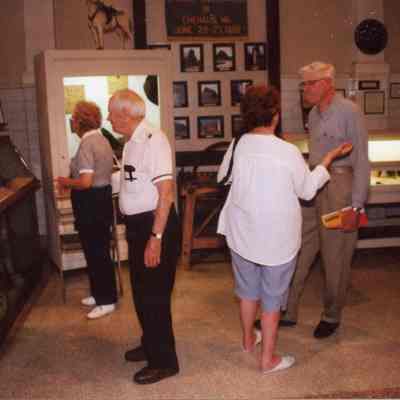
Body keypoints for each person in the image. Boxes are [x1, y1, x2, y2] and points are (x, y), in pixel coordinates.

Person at [217, 84, 352, 373]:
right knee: (272, 298)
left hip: (241, 232)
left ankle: (247, 340)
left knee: (247, 291)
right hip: (277, 238)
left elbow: (223, 178)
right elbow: (307, 190)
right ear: (275, 115)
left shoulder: (238, 144)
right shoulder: (288, 152)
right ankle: (268, 360)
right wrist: (326, 161)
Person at [258, 62, 370, 339]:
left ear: (327, 84)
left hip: (339, 186)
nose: (305, 89)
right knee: (298, 248)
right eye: (303, 84)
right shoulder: (314, 115)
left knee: (335, 256)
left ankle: (332, 315)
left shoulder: (349, 111)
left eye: (310, 83)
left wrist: (357, 205)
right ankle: (287, 309)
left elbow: (362, 160)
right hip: (313, 183)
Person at [108, 89, 180, 385]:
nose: (108, 118)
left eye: (111, 113)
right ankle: (150, 343)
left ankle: (164, 362)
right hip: (138, 227)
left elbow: (166, 194)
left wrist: (156, 237)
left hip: (155, 226)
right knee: (141, 292)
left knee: (155, 296)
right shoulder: (131, 142)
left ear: (126, 114)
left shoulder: (154, 139)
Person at [56, 101, 117, 319]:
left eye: (73, 118)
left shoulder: (87, 144)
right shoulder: (102, 139)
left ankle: (106, 301)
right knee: (98, 251)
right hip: (101, 200)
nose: (71, 122)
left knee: (96, 252)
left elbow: (85, 182)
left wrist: (65, 181)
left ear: (80, 122)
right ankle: (99, 293)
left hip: (90, 202)